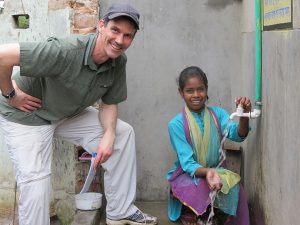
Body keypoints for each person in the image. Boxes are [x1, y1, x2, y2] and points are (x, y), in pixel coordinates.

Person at [0, 3, 157, 225]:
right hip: (27, 115)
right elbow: (2, 55)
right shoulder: (64, 51)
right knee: (36, 183)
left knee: (123, 133)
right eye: (115, 30)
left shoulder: (118, 61)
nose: (120, 40)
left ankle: (120, 211)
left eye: (128, 36)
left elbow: (109, 102)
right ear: (101, 26)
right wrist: (10, 94)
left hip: (64, 114)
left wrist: (109, 135)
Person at [166, 66, 250, 225]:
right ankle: (197, 217)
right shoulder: (176, 124)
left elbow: (238, 135)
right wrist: (207, 172)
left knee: (234, 188)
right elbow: (188, 164)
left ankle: (222, 218)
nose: (196, 95)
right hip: (189, 175)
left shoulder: (218, 115)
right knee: (199, 187)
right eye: (190, 91)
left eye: (200, 89)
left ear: (206, 89)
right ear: (181, 92)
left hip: (216, 169)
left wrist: (244, 115)